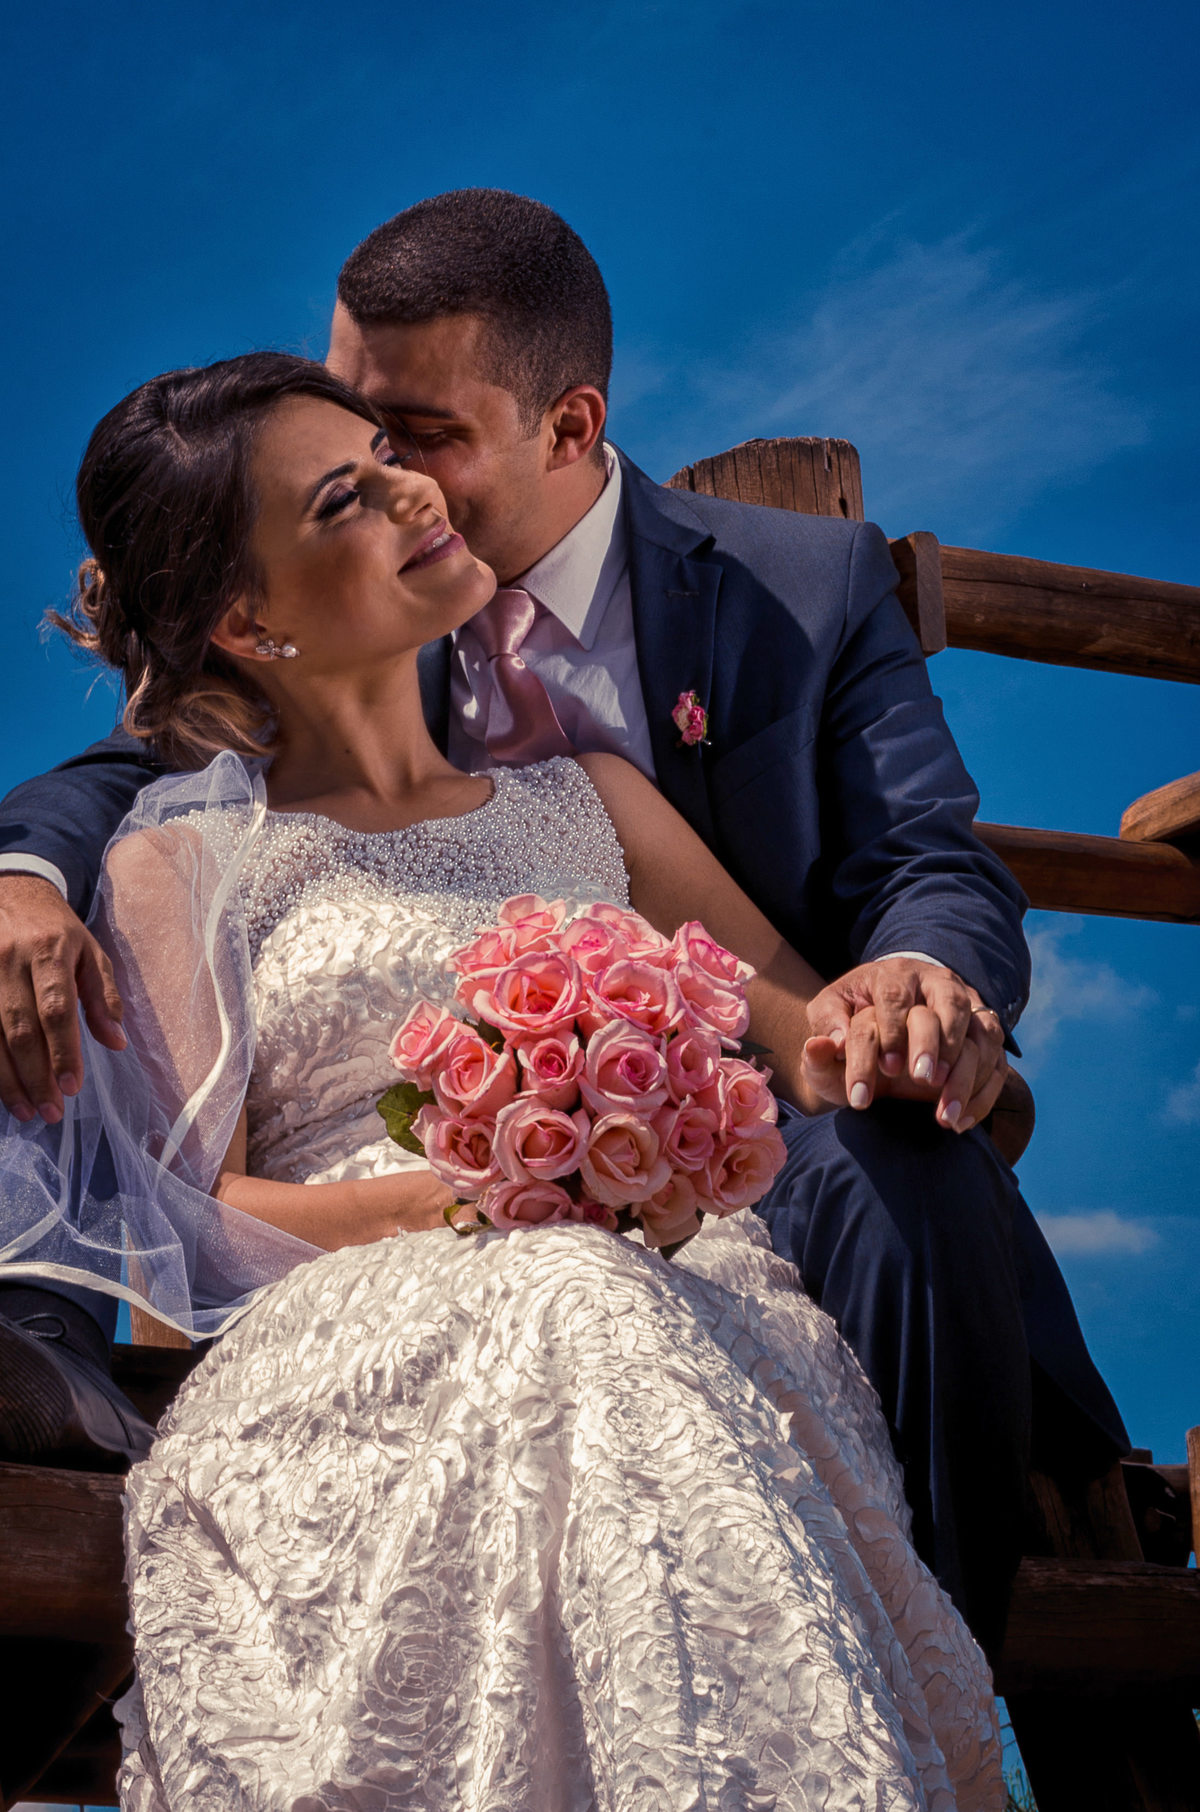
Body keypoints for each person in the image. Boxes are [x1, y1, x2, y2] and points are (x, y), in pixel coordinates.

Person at [0, 190, 1127, 1660]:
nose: (403, 483)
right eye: (357, 455)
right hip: (406, 1273)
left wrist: (902, 1005)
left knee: (836, 1207)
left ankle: (922, 1672)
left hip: (722, 1198)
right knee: (571, 1340)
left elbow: (882, 912)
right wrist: (21, 879)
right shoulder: (241, 781)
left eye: (416, 440)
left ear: (571, 425)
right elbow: (125, 798)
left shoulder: (751, 639)